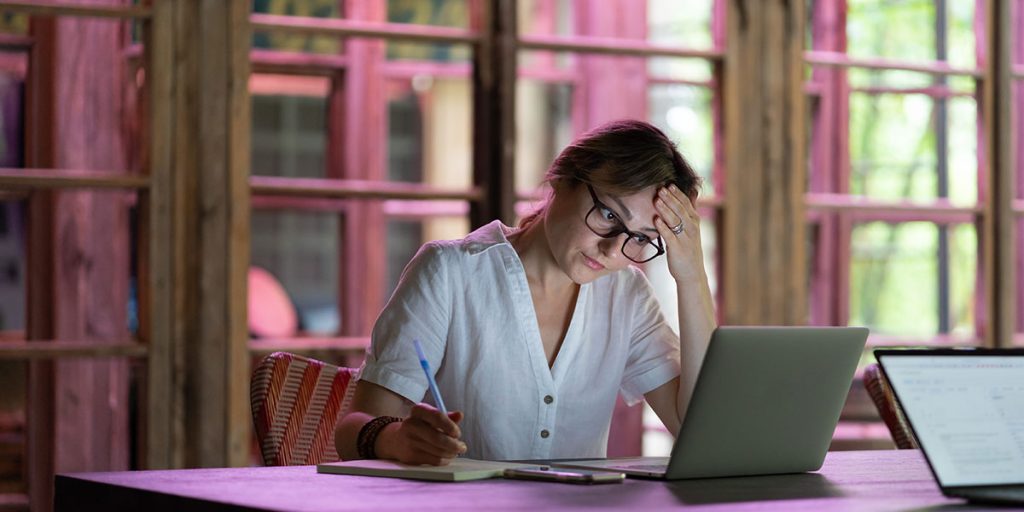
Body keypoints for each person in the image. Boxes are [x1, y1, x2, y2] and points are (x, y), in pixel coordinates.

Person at [335, 119, 716, 465]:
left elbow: (697, 432)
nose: (613, 251)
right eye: (609, 215)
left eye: (642, 239)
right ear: (562, 179)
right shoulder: (450, 272)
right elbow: (351, 432)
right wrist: (396, 439)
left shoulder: (627, 296)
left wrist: (691, 276)